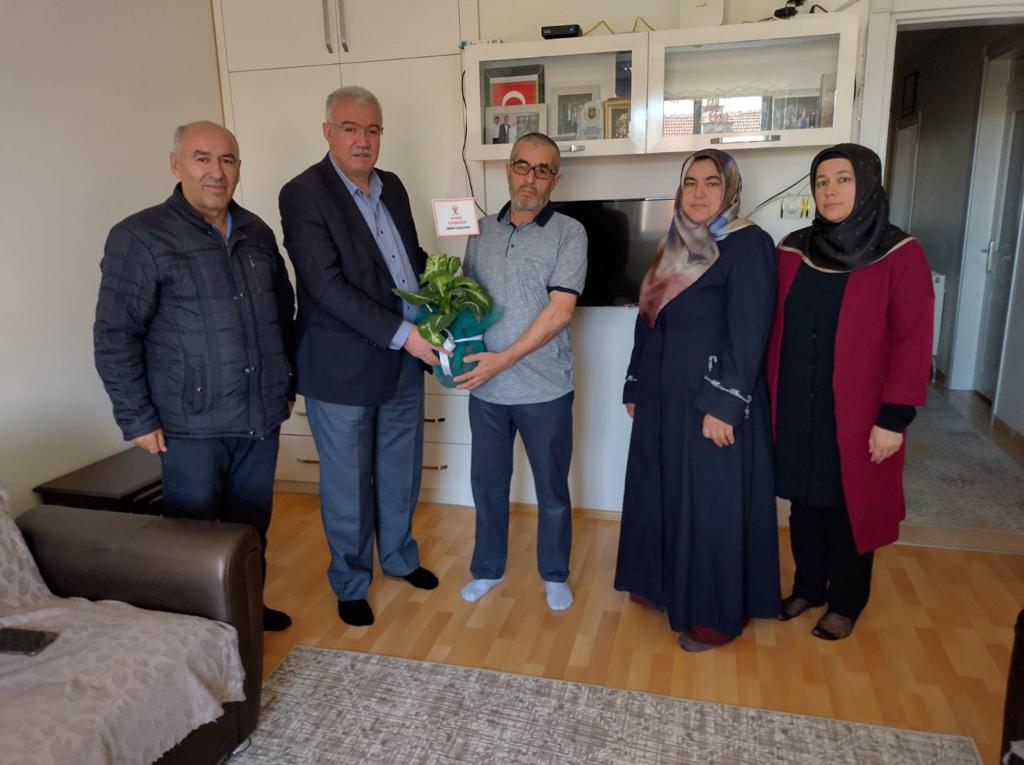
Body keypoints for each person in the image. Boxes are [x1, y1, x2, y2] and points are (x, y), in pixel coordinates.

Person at [94, 121, 295, 632]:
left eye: (227, 159)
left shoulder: (256, 232)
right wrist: (136, 417)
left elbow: (282, 311)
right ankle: (199, 633)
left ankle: (247, 613)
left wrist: (285, 384)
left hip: (258, 416)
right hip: (189, 424)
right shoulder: (140, 237)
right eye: (202, 158)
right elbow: (116, 334)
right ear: (176, 165)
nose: (216, 172)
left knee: (251, 531)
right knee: (193, 539)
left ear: (238, 168)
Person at [279, 86, 443, 627]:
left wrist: (445, 291)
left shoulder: (392, 186)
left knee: (400, 470)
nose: (363, 140)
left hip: (404, 360)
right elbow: (325, 286)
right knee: (348, 484)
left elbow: (408, 261)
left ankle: (398, 558)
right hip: (343, 367)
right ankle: (350, 581)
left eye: (372, 130)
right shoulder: (303, 194)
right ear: (328, 132)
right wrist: (406, 334)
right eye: (350, 129)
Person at [615, 149, 780, 652]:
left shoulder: (749, 244)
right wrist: (635, 384)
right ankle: (660, 581)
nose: (700, 192)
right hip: (662, 397)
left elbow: (750, 332)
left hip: (710, 400)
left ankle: (714, 615)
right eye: (691, 182)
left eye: (712, 182)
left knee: (709, 505)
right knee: (660, 489)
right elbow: (648, 320)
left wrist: (724, 405)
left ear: (730, 190)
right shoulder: (673, 245)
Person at [766, 143, 933, 641]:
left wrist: (894, 419)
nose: (830, 190)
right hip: (797, 405)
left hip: (860, 413)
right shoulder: (793, 249)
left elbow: (913, 340)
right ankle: (808, 587)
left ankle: (845, 601)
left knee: (848, 508)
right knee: (804, 504)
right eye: (821, 181)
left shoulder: (900, 253)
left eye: (843, 179)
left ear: (867, 186)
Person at [454, 133, 587, 612]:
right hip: (485, 389)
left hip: (545, 389)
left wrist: (503, 359)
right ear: (509, 170)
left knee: (552, 489)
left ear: (555, 178)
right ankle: (488, 568)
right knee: (487, 487)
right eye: (522, 166)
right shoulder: (479, 230)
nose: (530, 178)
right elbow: (466, 303)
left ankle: (554, 573)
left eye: (542, 170)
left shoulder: (570, 232)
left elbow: (560, 311)